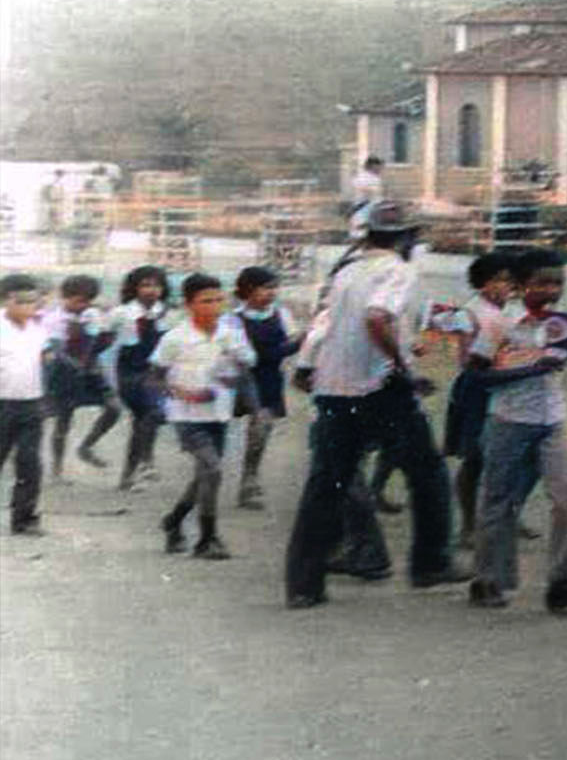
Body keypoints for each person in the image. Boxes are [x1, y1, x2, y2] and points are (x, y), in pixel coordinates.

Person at [284, 201, 465, 609]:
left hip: (333, 388)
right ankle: (430, 562)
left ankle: (303, 584)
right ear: (405, 237)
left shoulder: (345, 272)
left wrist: (305, 366)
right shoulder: (398, 271)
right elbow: (378, 318)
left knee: (326, 485)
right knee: (428, 474)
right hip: (380, 386)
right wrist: (404, 366)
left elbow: (320, 325)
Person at [466, 248, 567, 611]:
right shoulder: (499, 323)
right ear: (521, 285)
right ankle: (487, 579)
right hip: (509, 421)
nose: (552, 290)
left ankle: (562, 582)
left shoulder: (558, 323)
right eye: (543, 283)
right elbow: (476, 373)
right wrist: (530, 369)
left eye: (558, 283)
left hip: (551, 420)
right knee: (499, 500)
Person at [151, 274, 256, 558]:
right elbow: (155, 379)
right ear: (189, 304)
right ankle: (207, 539)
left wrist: (235, 372)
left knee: (204, 476)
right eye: (205, 301)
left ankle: (173, 521)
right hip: (186, 416)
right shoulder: (175, 338)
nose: (214, 305)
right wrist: (183, 392)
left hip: (218, 413)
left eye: (218, 299)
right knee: (213, 470)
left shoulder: (231, 333)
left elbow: (245, 365)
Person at [441, 250, 519, 549]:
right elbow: (466, 355)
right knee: (474, 459)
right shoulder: (470, 311)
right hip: (476, 387)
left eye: (509, 281)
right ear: (482, 283)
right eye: (499, 280)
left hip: (505, 384)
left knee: (509, 456)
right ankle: (468, 526)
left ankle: (508, 515)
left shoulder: (508, 312)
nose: (505, 286)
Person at [230, 267, 303, 510]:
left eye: (274, 288)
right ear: (248, 290)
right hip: (239, 380)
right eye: (265, 288)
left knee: (260, 430)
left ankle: (249, 480)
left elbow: (291, 343)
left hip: (269, 380)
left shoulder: (282, 314)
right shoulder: (234, 318)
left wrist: (298, 343)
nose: (271, 293)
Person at [42, 274, 119, 483]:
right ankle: (57, 471)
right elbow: (57, 351)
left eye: (87, 300)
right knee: (63, 422)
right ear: (64, 297)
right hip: (65, 374)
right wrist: (78, 366)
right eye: (78, 301)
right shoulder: (53, 320)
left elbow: (101, 343)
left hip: (91, 371)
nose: (83, 305)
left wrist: (107, 333)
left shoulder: (92, 315)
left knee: (114, 408)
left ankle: (86, 447)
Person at [102, 265, 172, 490]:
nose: (152, 290)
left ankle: (128, 475)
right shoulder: (122, 313)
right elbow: (103, 340)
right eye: (145, 285)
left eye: (156, 285)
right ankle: (146, 461)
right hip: (130, 372)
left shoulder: (168, 313)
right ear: (134, 288)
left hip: (156, 371)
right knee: (150, 414)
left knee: (144, 421)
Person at [0, 274, 51, 535]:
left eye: (34, 302)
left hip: (31, 404)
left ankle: (24, 519)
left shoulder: (38, 330)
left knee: (30, 464)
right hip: (2, 404)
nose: (31, 307)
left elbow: (44, 360)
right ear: (9, 300)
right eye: (25, 302)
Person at [347, 157, 385, 241]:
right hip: (364, 209)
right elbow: (363, 189)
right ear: (373, 166)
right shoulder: (363, 177)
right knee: (362, 236)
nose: (380, 169)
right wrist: (370, 191)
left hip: (372, 209)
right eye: (379, 167)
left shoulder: (374, 178)